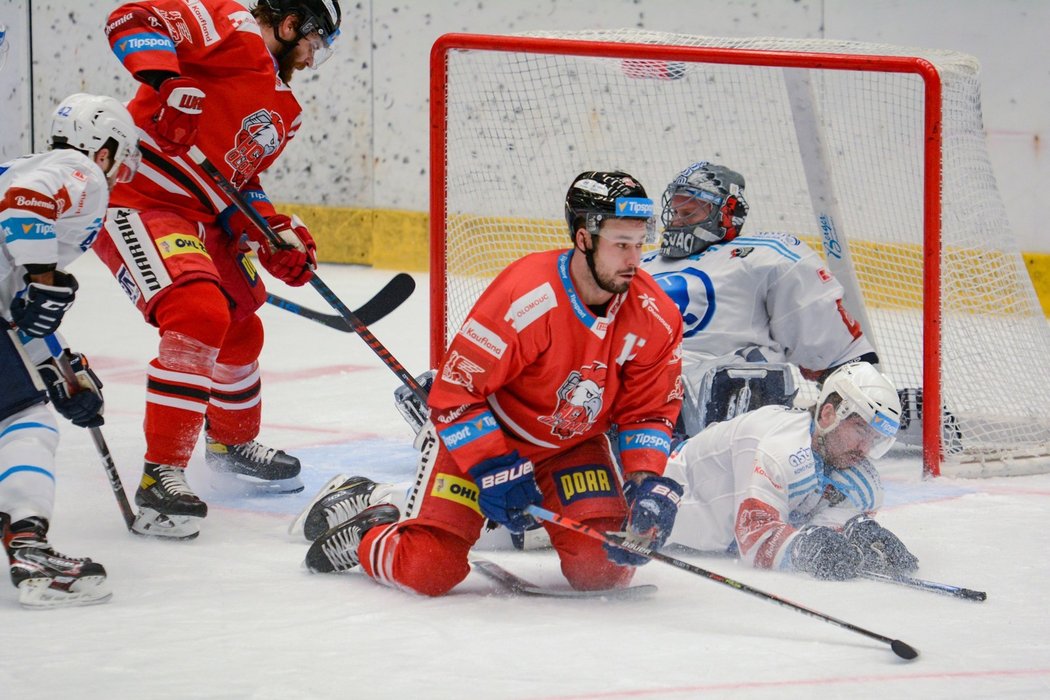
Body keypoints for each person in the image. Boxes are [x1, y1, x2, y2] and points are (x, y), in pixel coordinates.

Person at [302, 170, 686, 596]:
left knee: (604, 569)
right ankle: (372, 535)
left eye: (639, 244)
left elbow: (648, 411)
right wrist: (493, 466)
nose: (634, 260)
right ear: (583, 238)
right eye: (620, 245)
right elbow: (453, 395)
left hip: (569, 446)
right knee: (427, 570)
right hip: (488, 439)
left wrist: (646, 481)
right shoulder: (527, 296)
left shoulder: (656, 315)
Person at [93, 0, 341, 539]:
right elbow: (130, 18)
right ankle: (162, 474)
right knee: (198, 312)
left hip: (201, 214)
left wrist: (275, 235)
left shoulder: (284, 110)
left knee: (241, 327)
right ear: (291, 22)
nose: (311, 55)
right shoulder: (227, 26)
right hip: (139, 198)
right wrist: (166, 81)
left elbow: (237, 184)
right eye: (313, 40)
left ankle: (230, 443)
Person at [1, 93, 140, 607]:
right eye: (118, 154)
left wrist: (58, 367)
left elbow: (15, 308)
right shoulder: (80, 170)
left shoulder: (27, 164)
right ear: (102, 148)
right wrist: (44, 279)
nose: (118, 168)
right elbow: (23, 209)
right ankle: (30, 544)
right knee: (24, 423)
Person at [642, 161, 879, 438]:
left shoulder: (761, 256)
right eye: (676, 211)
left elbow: (832, 350)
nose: (677, 221)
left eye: (689, 212)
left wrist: (861, 397)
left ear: (727, 213)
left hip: (726, 412)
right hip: (640, 392)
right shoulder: (642, 263)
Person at [665, 361, 919, 580]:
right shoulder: (776, 448)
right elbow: (755, 537)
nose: (865, 448)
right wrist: (802, 547)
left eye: (875, 439)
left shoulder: (856, 477)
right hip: (656, 491)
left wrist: (855, 529)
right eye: (861, 430)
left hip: (709, 534)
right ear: (828, 415)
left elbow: (820, 526)